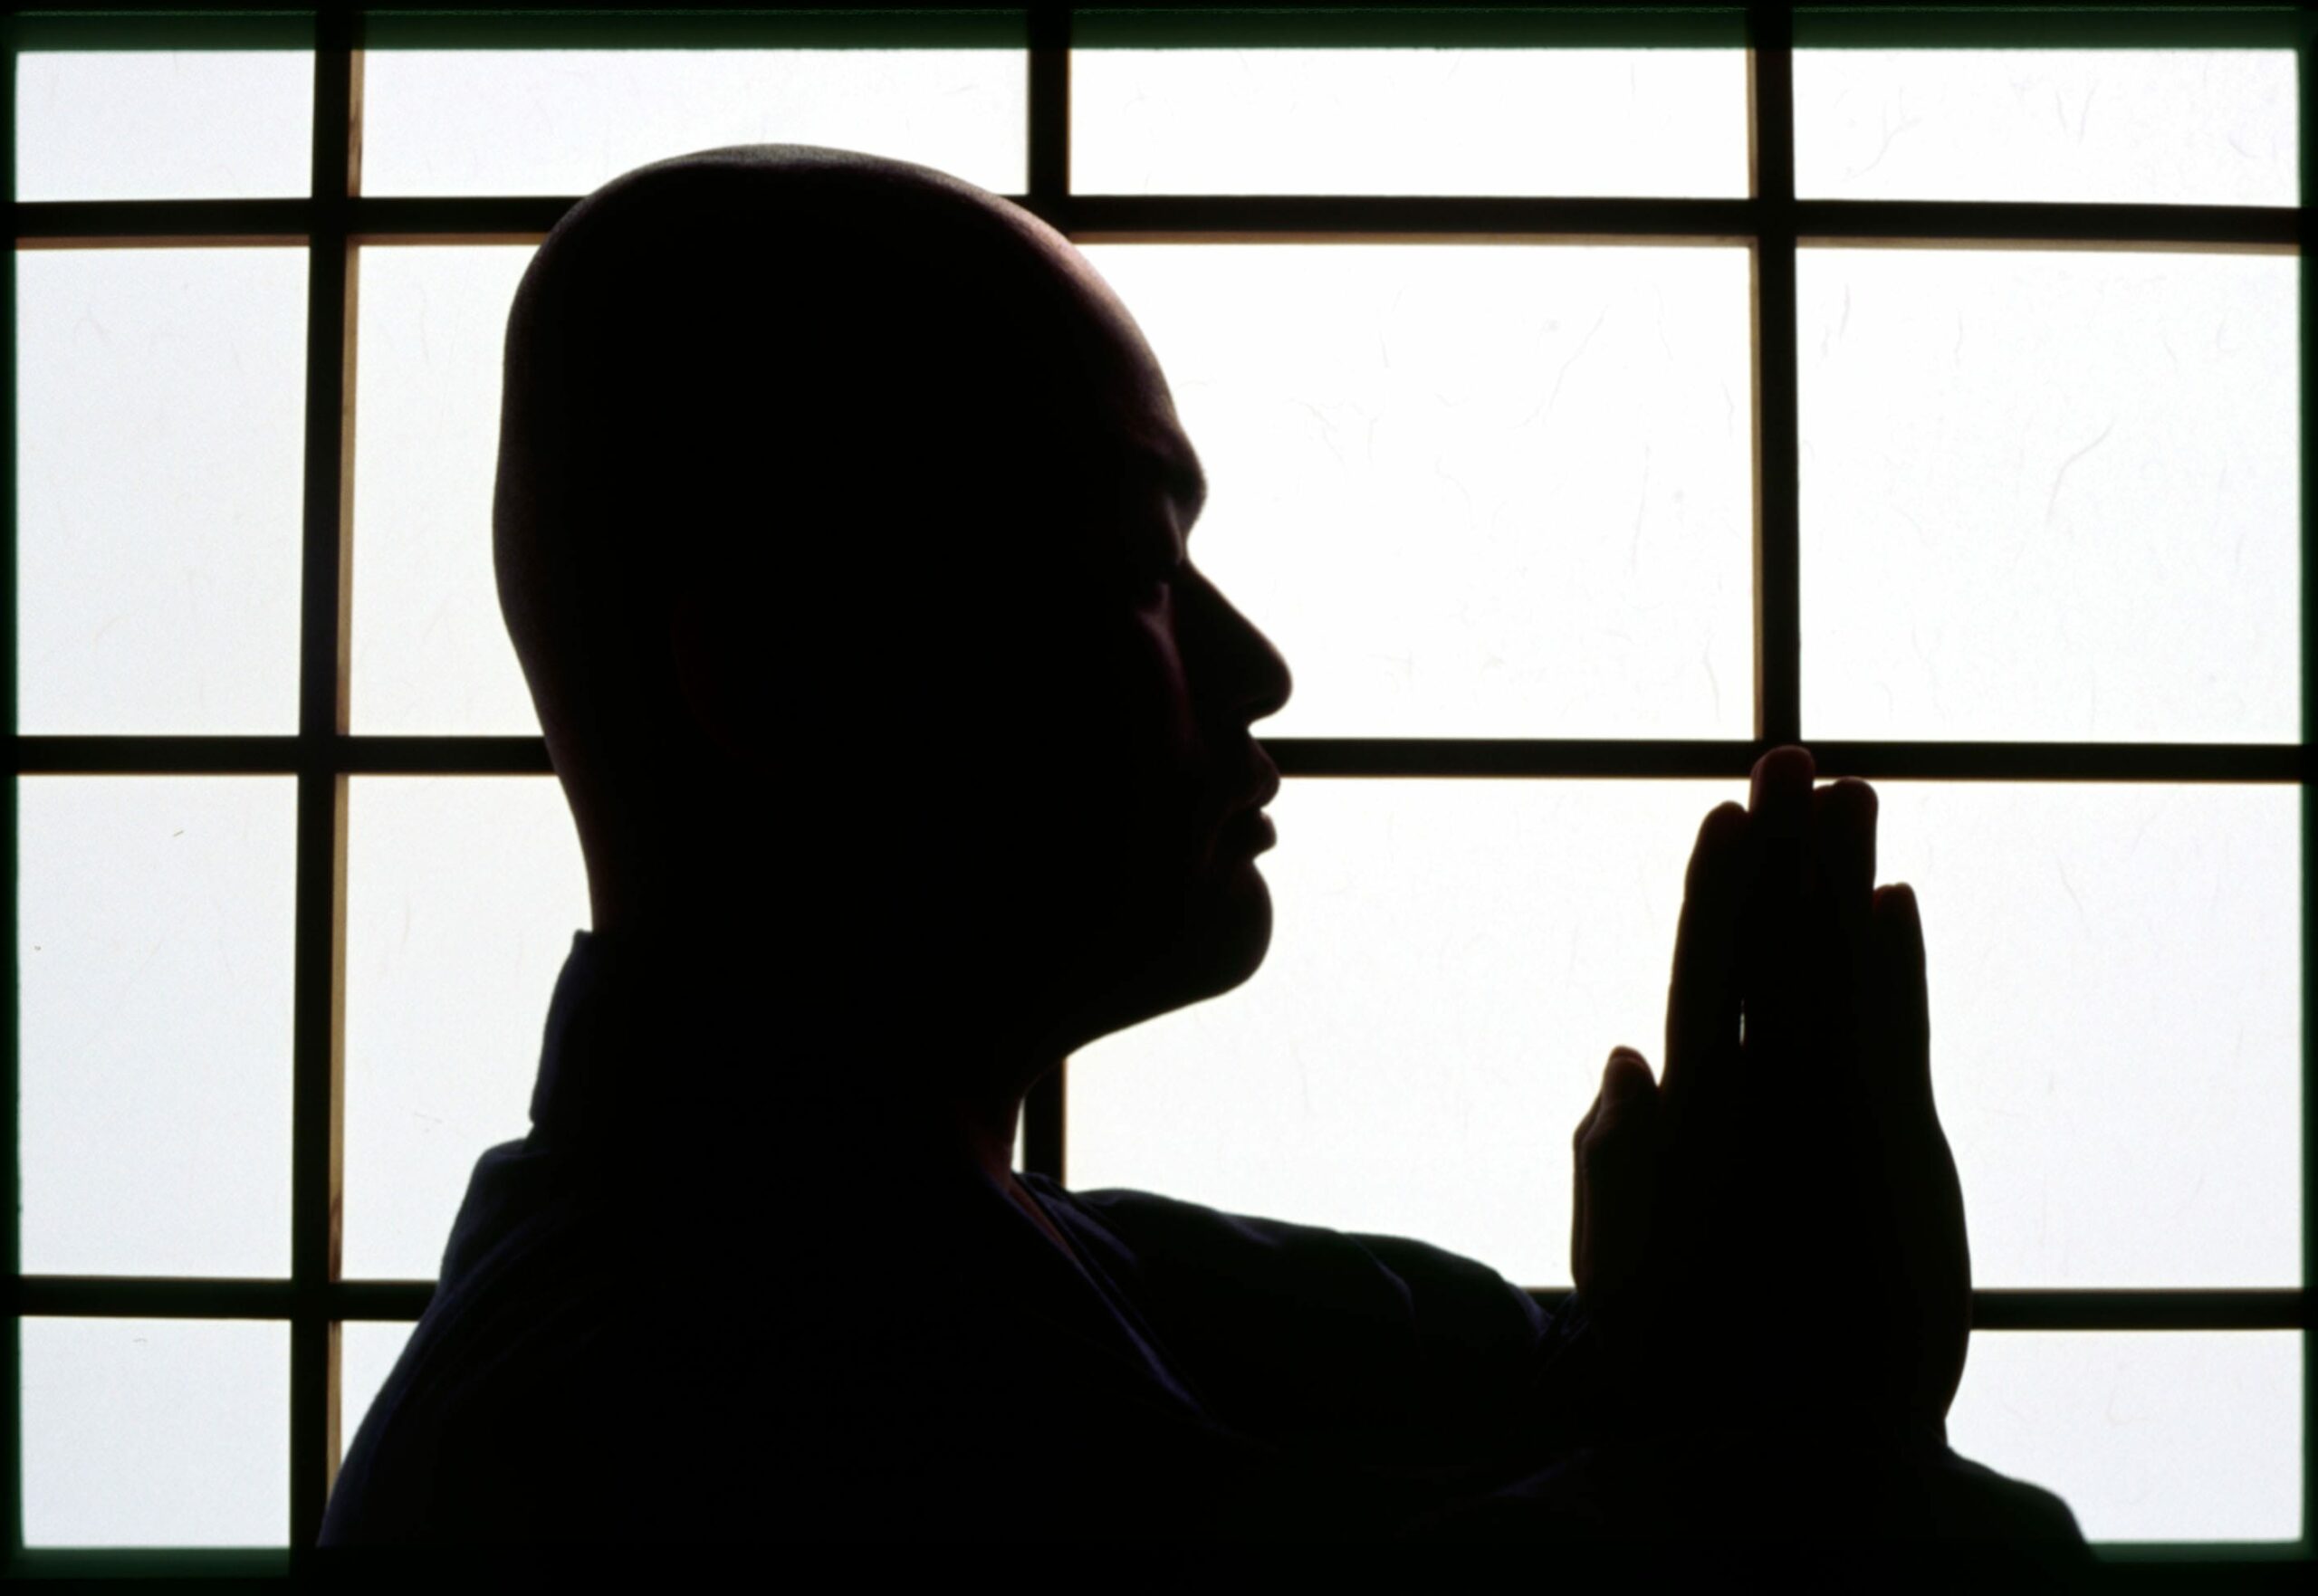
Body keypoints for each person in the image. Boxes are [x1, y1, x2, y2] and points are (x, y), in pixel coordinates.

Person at [314, 146, 2090, 1579]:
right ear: (782, 667)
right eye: (1130, 566)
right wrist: (1800, 1436)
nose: (1252, 668)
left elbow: (1578, 1405)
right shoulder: (646, 1422)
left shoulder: (960, 1282)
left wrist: (1706, 1366)